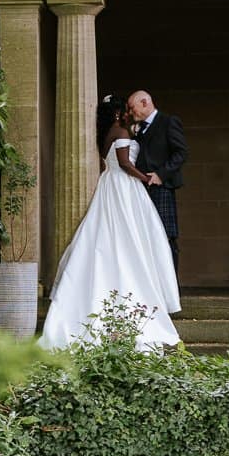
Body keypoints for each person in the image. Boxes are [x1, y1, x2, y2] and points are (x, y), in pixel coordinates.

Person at [39, 95, 181, 351]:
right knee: (128, 237)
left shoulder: (109, 132)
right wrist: (145, 178)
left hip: (110, 184)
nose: (128, 112)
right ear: (117, 113)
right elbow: (125, 163)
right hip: (123, 187)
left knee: (108, 235)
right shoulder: (121, 130)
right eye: (124, 109)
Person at [126, 89, 188, 270]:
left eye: (132, 108)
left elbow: (181, 152)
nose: (130, 113)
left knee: (166, 237)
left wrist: (161, 174)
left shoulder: (168, 122)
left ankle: (171, 288)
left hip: (161, 189)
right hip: (141, 190)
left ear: (144, 103)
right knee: (146, 238)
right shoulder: (138, 129)